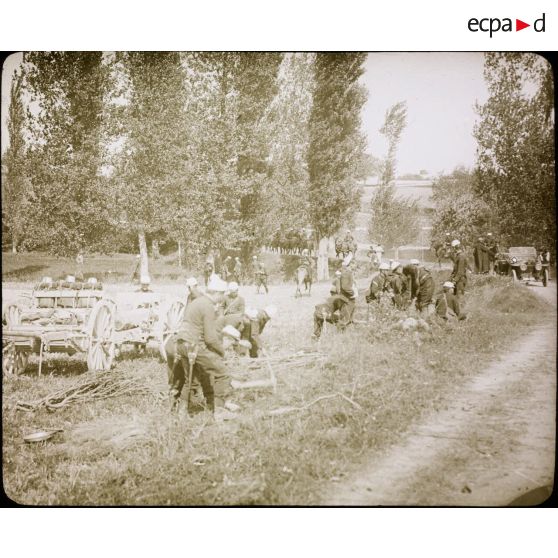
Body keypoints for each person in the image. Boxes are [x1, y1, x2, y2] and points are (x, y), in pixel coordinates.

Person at [169, 275, 236, 420]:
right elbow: (210, 338)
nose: (222, 299)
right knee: (222, 372)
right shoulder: (207, 306)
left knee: (190, 378)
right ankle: (219, 411)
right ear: (217, 293)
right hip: (193, 345)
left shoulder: (197, 301)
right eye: (222, 295)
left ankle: (182, 412)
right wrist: (222, 352)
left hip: (181, 344)